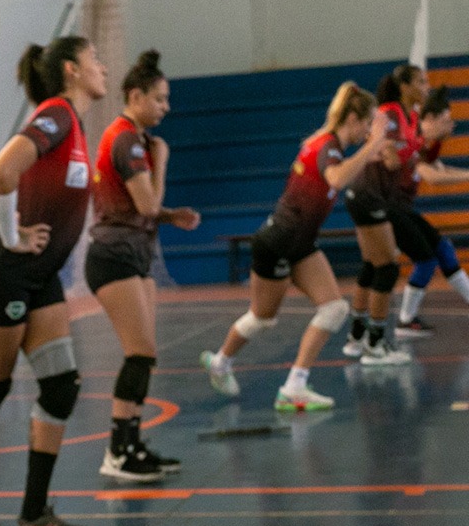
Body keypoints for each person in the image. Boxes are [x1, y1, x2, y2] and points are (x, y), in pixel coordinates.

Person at [0, 35, 107, 526]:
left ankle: (34, 515)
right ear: (72, 70)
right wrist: (11, 236)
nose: (103, 67)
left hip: (39, 277)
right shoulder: (56, 114)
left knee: (61, 386)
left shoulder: (73, 126)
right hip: (1, 273)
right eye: (95, 59)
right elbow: (1, 170)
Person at [200, 82, 389, 411]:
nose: (369, 129)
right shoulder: (328, 147)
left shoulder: (328, 145)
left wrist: (374, 149)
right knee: (262, 317)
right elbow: (337, 178)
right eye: (368, 122)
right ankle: (220, 362)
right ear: (353, 118)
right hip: (278, 243)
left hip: (299, 243)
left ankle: (294, 386)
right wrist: (374, 144)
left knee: (334, 308)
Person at [86, 50, 200, 483]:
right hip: (113, 255)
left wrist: (170, 215)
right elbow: (148, 204)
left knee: (145, 355)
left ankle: (132, 444)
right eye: (159, 98)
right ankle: (117, 451)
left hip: (135, 253)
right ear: (135, 96)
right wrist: (163, 161)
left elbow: (145, 209)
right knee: (139, 352)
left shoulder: (135, 139)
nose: (165, 107)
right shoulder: (127, 141)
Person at [341, 64, 429, 364]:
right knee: (387, 269)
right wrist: (398, 153)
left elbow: (404, 153)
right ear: (404, 86)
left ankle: (356, 338)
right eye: (421, 82)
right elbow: (386, 154)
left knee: (371, 265)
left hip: (370, 195)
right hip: (368, 194)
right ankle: (375, 345)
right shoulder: (389, 114)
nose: (426, 86)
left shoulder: (410, 116)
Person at [393, 85, 469, 335]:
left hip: (401, 208)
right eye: (446, 120)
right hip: (388, 209)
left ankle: (404, 319)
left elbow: (440, 169)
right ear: (430, 119)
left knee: (442, 250)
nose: (452, 125)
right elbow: (432, 177)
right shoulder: (412, 139)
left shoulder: (426, 144)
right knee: (424, 260)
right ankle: (401, 321)